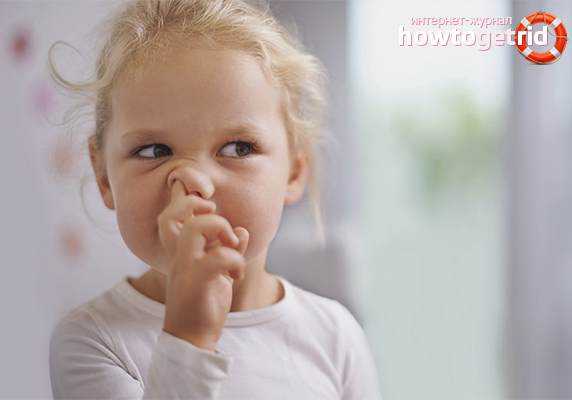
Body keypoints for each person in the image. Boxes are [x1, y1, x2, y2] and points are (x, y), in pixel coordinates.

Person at [48, 0, 382, 398]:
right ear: (103, 174)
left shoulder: (336, 337)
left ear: (294, 170)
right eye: (154, 150)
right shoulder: (92, 339)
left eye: (239, 148)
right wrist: (188, 337)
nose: (196, 181)